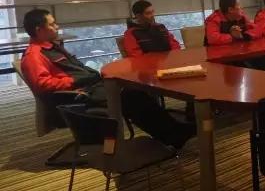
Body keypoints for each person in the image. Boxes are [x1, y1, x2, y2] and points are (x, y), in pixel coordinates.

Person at [20, 9, 194, 148]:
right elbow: (42, 85)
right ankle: (172, 135)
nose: (57, 26)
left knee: (133, 91)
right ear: (39, 30)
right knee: (130, 97)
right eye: (52, 24)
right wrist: (74, 82)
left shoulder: (52, 47)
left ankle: (172, 130)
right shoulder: (34, 55)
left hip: (90, 87)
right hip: (77, 96)